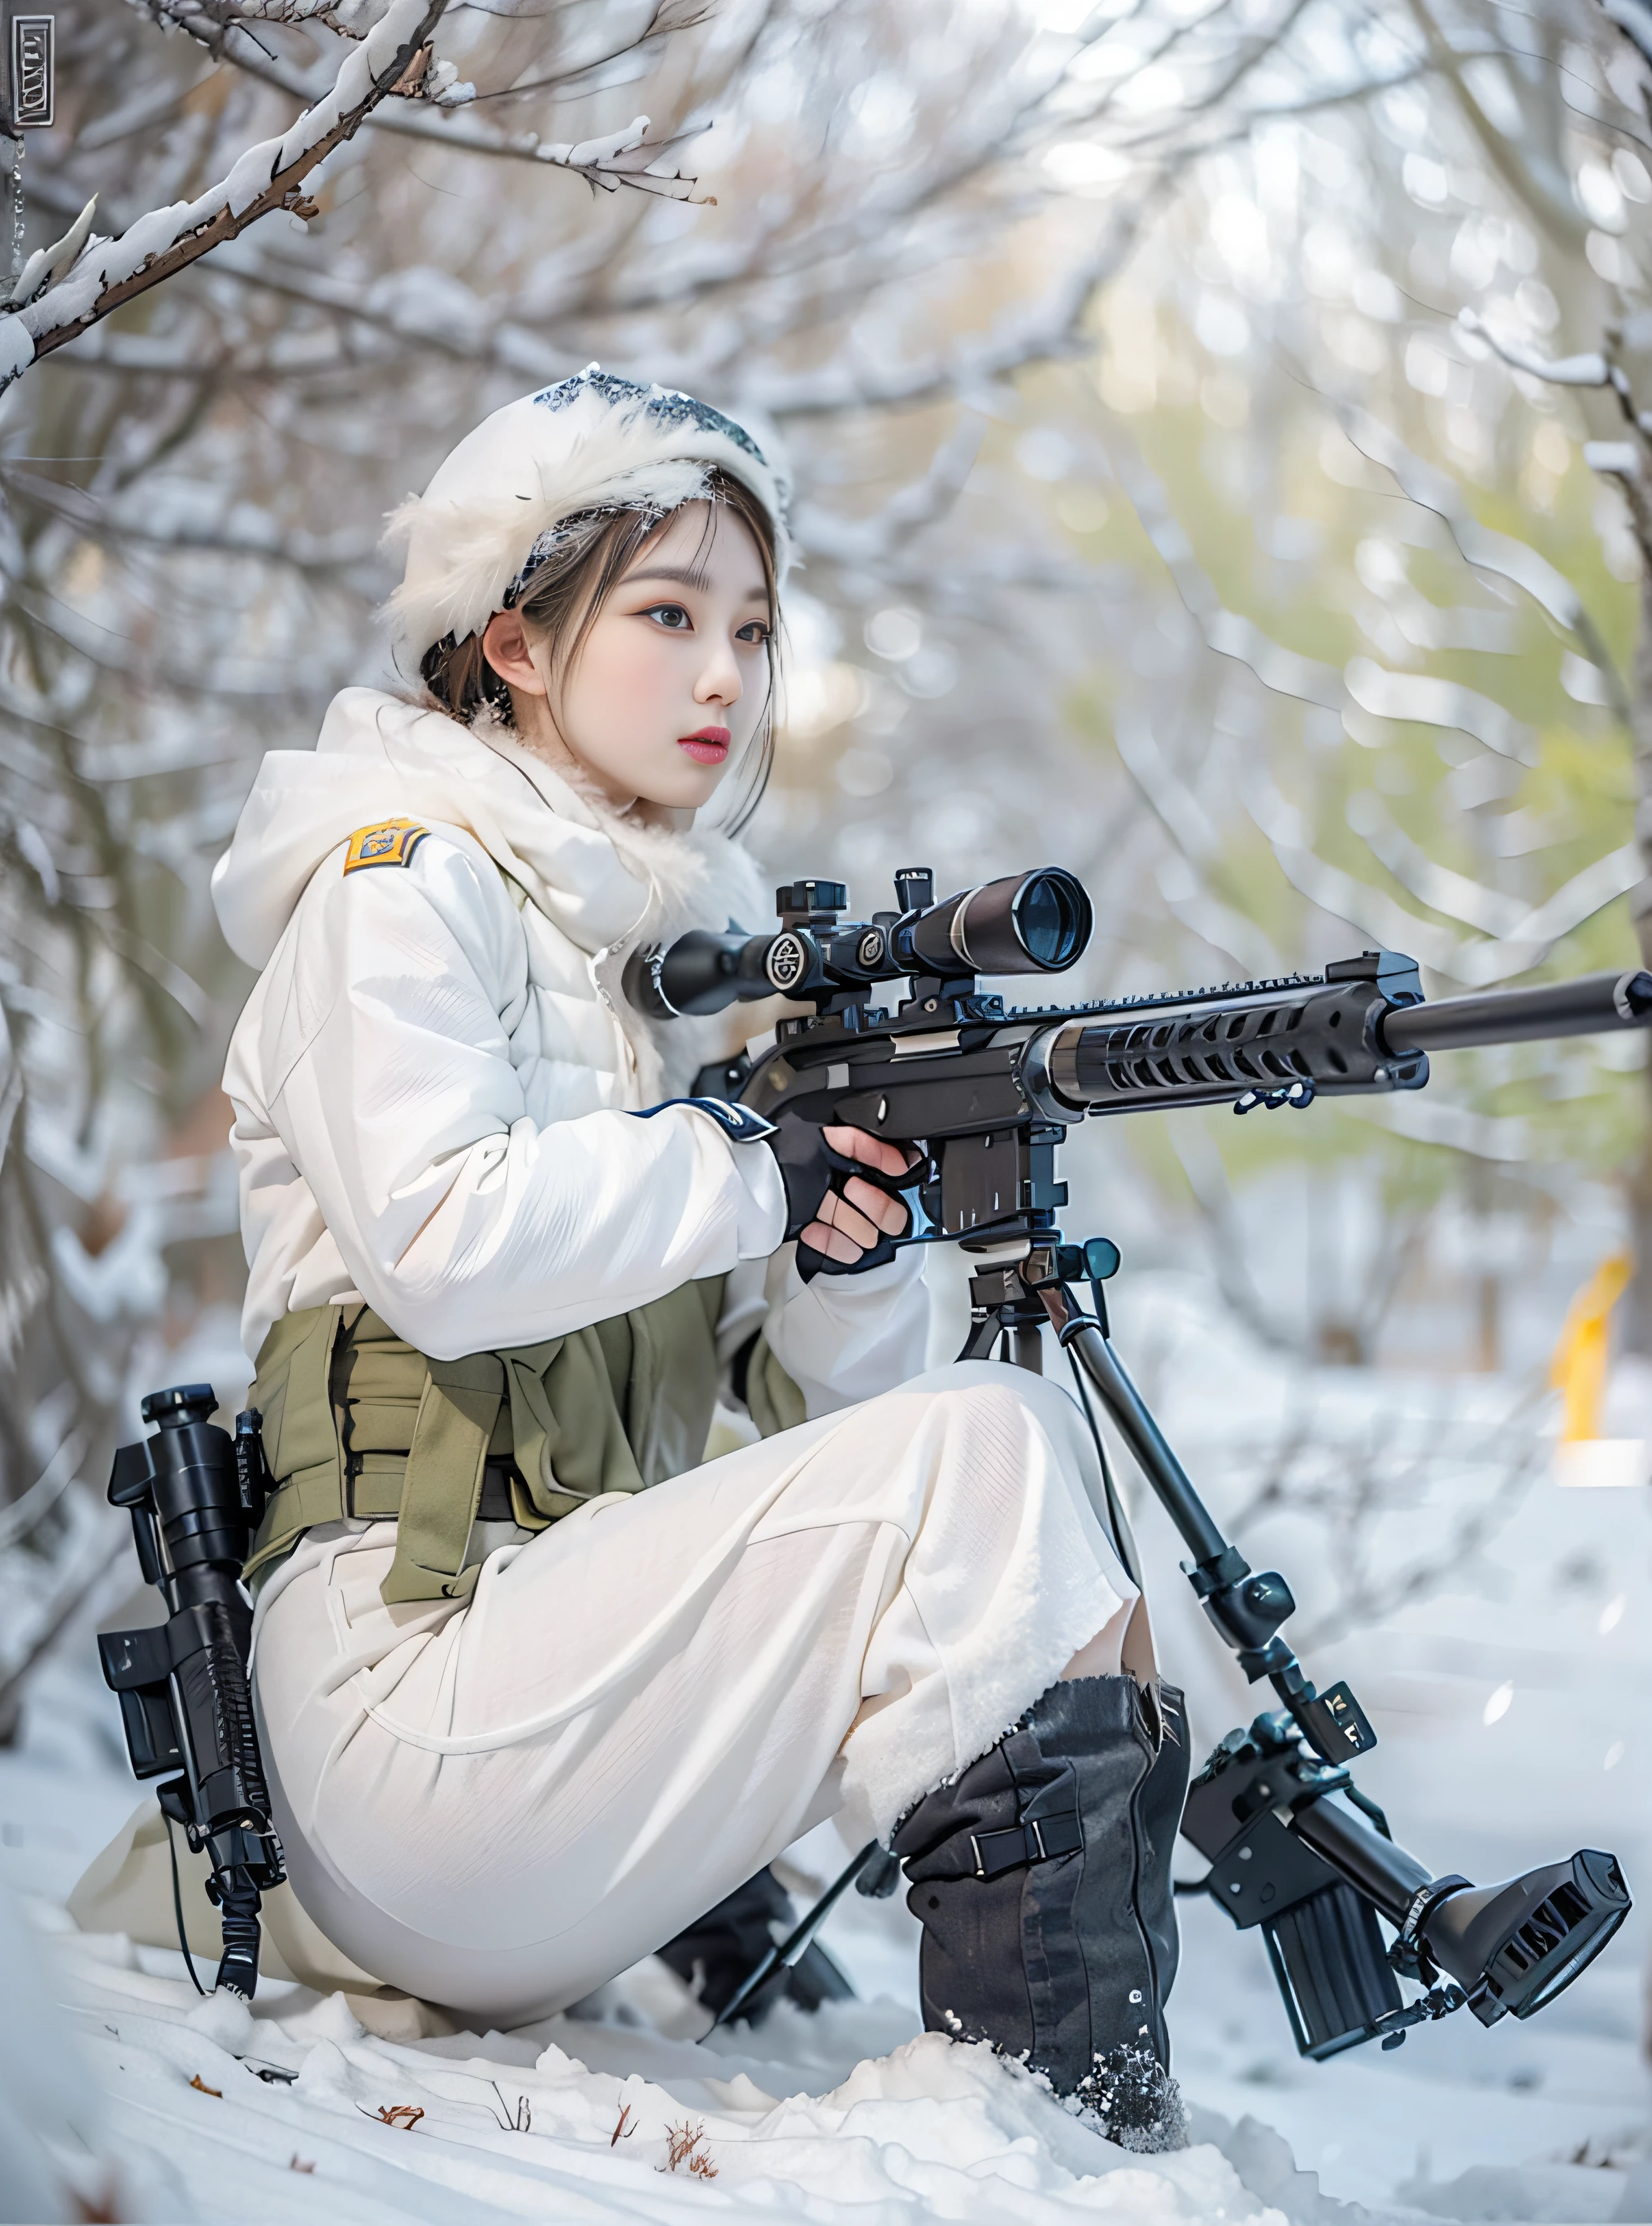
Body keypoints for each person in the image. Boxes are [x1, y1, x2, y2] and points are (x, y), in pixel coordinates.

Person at [202, 368, 1187, 2138]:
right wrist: (750, 1167)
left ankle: (1063, 2103)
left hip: (569, 1740)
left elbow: (860, 1426)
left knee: (998, 1431)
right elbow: (440, 1234)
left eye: (753, 624)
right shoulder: (393, 886)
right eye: (665, 616)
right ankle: (1065, 2121)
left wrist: (849, 1223)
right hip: (409, 1724)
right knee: (983, 1445)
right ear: (510, 641)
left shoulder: (681, 963)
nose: (728, 674)